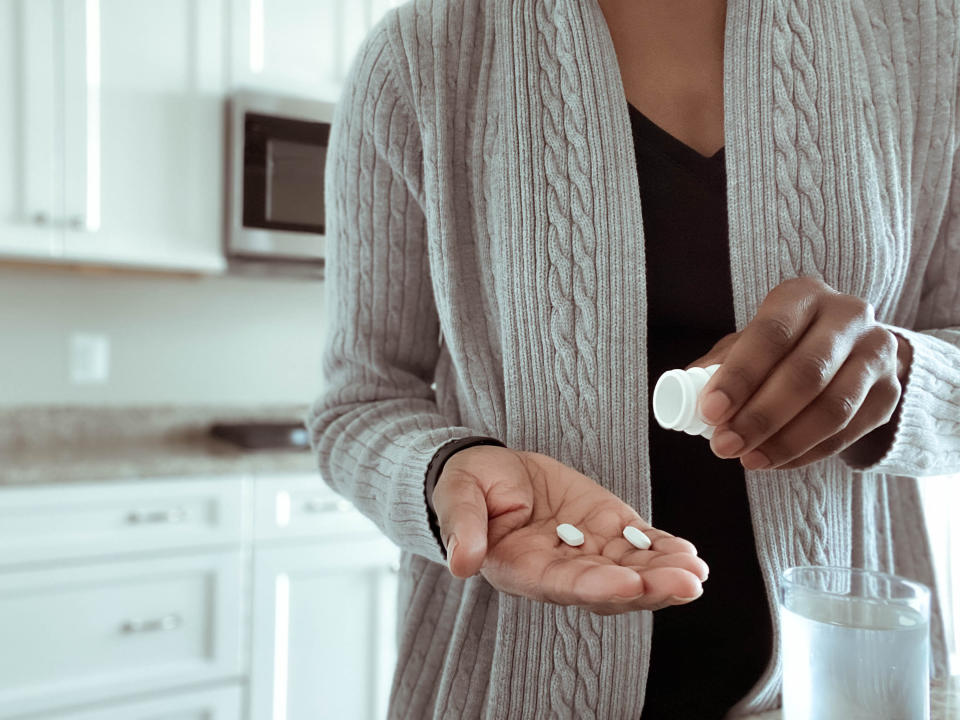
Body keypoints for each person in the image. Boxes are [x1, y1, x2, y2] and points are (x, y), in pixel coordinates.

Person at [306, 0, 960, 717]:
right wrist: (446, 471)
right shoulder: (420, 56)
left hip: (850, 683)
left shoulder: (931, 43)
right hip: (512, 688)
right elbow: (358, 401)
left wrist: (899, 379)